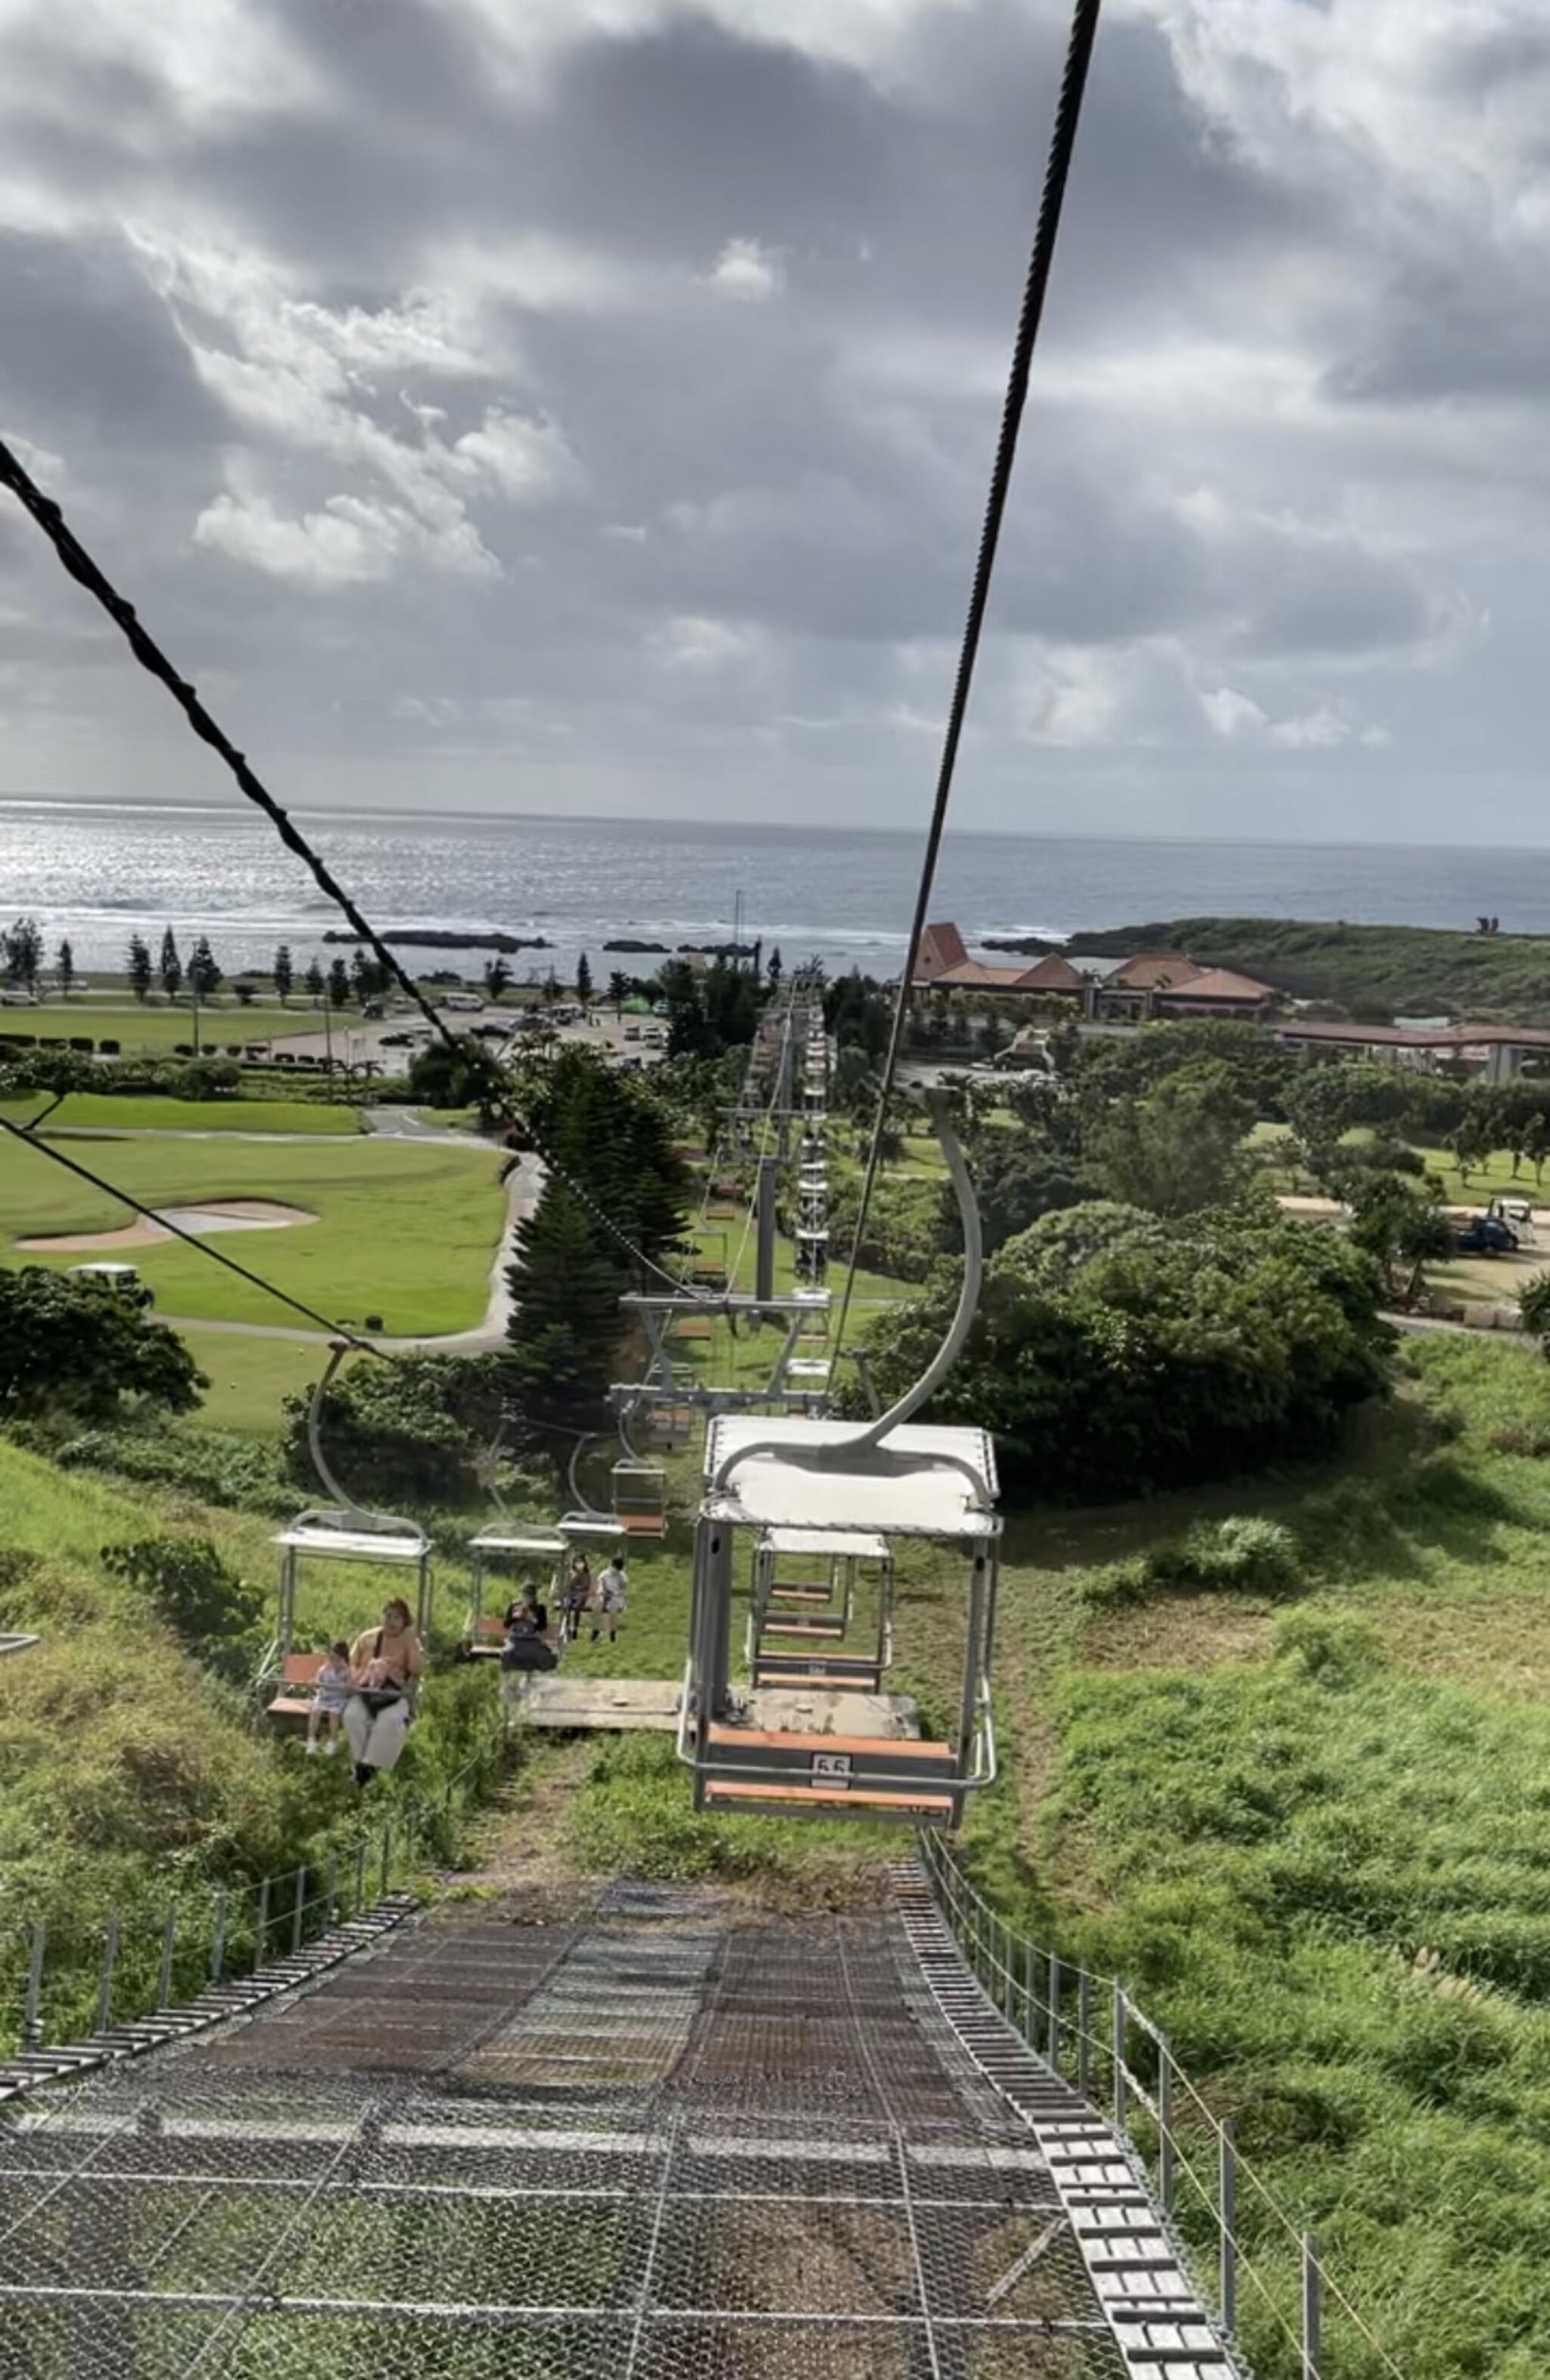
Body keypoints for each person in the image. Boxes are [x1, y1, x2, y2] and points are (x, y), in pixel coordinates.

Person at [344, 1597, 426, 1787]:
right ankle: (359, 1764)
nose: (391, 1621)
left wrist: (410, 1641)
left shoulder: (409, 1641)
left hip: (395, 1694)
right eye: (388, 1616)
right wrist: (364, 1675)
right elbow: (352, 1663)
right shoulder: (368, 1638)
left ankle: (369, 1768)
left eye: (397, 1617)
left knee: (389, 1721)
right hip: (368, 1691)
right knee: (352, 1715)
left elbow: (416, 1669)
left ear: (405, 1621)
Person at [306, 1640, 352, 1756]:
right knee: (315, 1712)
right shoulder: (324, 1669)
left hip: (338, 1698)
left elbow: (350, 1686)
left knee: (334, 1715)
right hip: (324, 1696)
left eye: (336, 1659)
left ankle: (332, 1742)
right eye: (331, 1658)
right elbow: (317, 1682)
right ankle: (311, 1740)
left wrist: (345, 1686)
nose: (333, 1662)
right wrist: (314, 1684)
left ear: (343, 1659)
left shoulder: (347, 1671)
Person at [591, 1554, 627, 1643]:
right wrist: (602, 1591)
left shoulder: (622, 1576)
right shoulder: (605, 1574)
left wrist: (615, 1593)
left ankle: (613, 1633)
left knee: (613, 1611)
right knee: (597, 1608)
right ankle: (596, 1630)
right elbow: (600, 1583)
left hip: (615, 1598)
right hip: (604, 1596)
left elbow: (622, 1589)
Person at [559, 1555, 592, 1646]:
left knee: (577, 1607)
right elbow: (569, 1586)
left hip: (581, 1595)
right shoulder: (571, 1573)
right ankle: (568, 1628)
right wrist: (574, 1578)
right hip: (571, 1594)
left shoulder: (586, 1574)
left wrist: (578, 1587)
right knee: (567, 1606)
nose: (579, 1564)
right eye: (577, 1562)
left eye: (581, 1562)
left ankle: (575, 1629)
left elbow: (585, 1586)